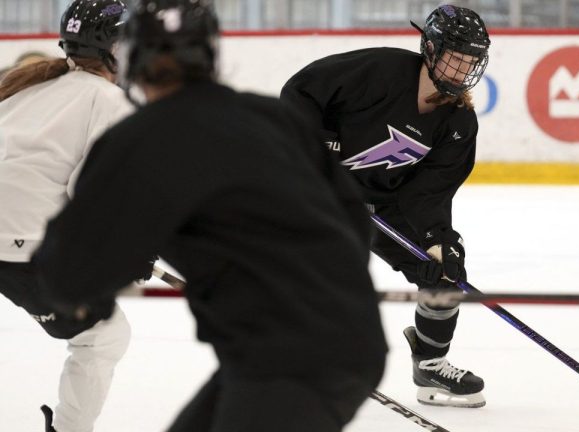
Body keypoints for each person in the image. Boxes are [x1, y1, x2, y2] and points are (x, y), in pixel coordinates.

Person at [32, 1, 388, 431]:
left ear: (131, 59)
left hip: (289, 363)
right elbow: (355, 227)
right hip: (334, 340)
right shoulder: (272, 117)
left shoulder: (138, 139)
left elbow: (67, 275)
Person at [281, 4, 491, 408]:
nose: (462, 70)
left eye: (470, 63)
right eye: (455, 58)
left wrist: (437, 241)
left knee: (445, 274)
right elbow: (301, 92)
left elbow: (428, 193)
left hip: (383, 201)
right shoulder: (380, 70)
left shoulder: (459, 123)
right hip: (320, 188)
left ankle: (430, 366)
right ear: (430, 49)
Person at [0, 1, 134, 431]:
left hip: (15, 237)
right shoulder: (109, 101)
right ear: (113, 48)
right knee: (103, 337)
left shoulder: (25, 87)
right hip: (22, 245)